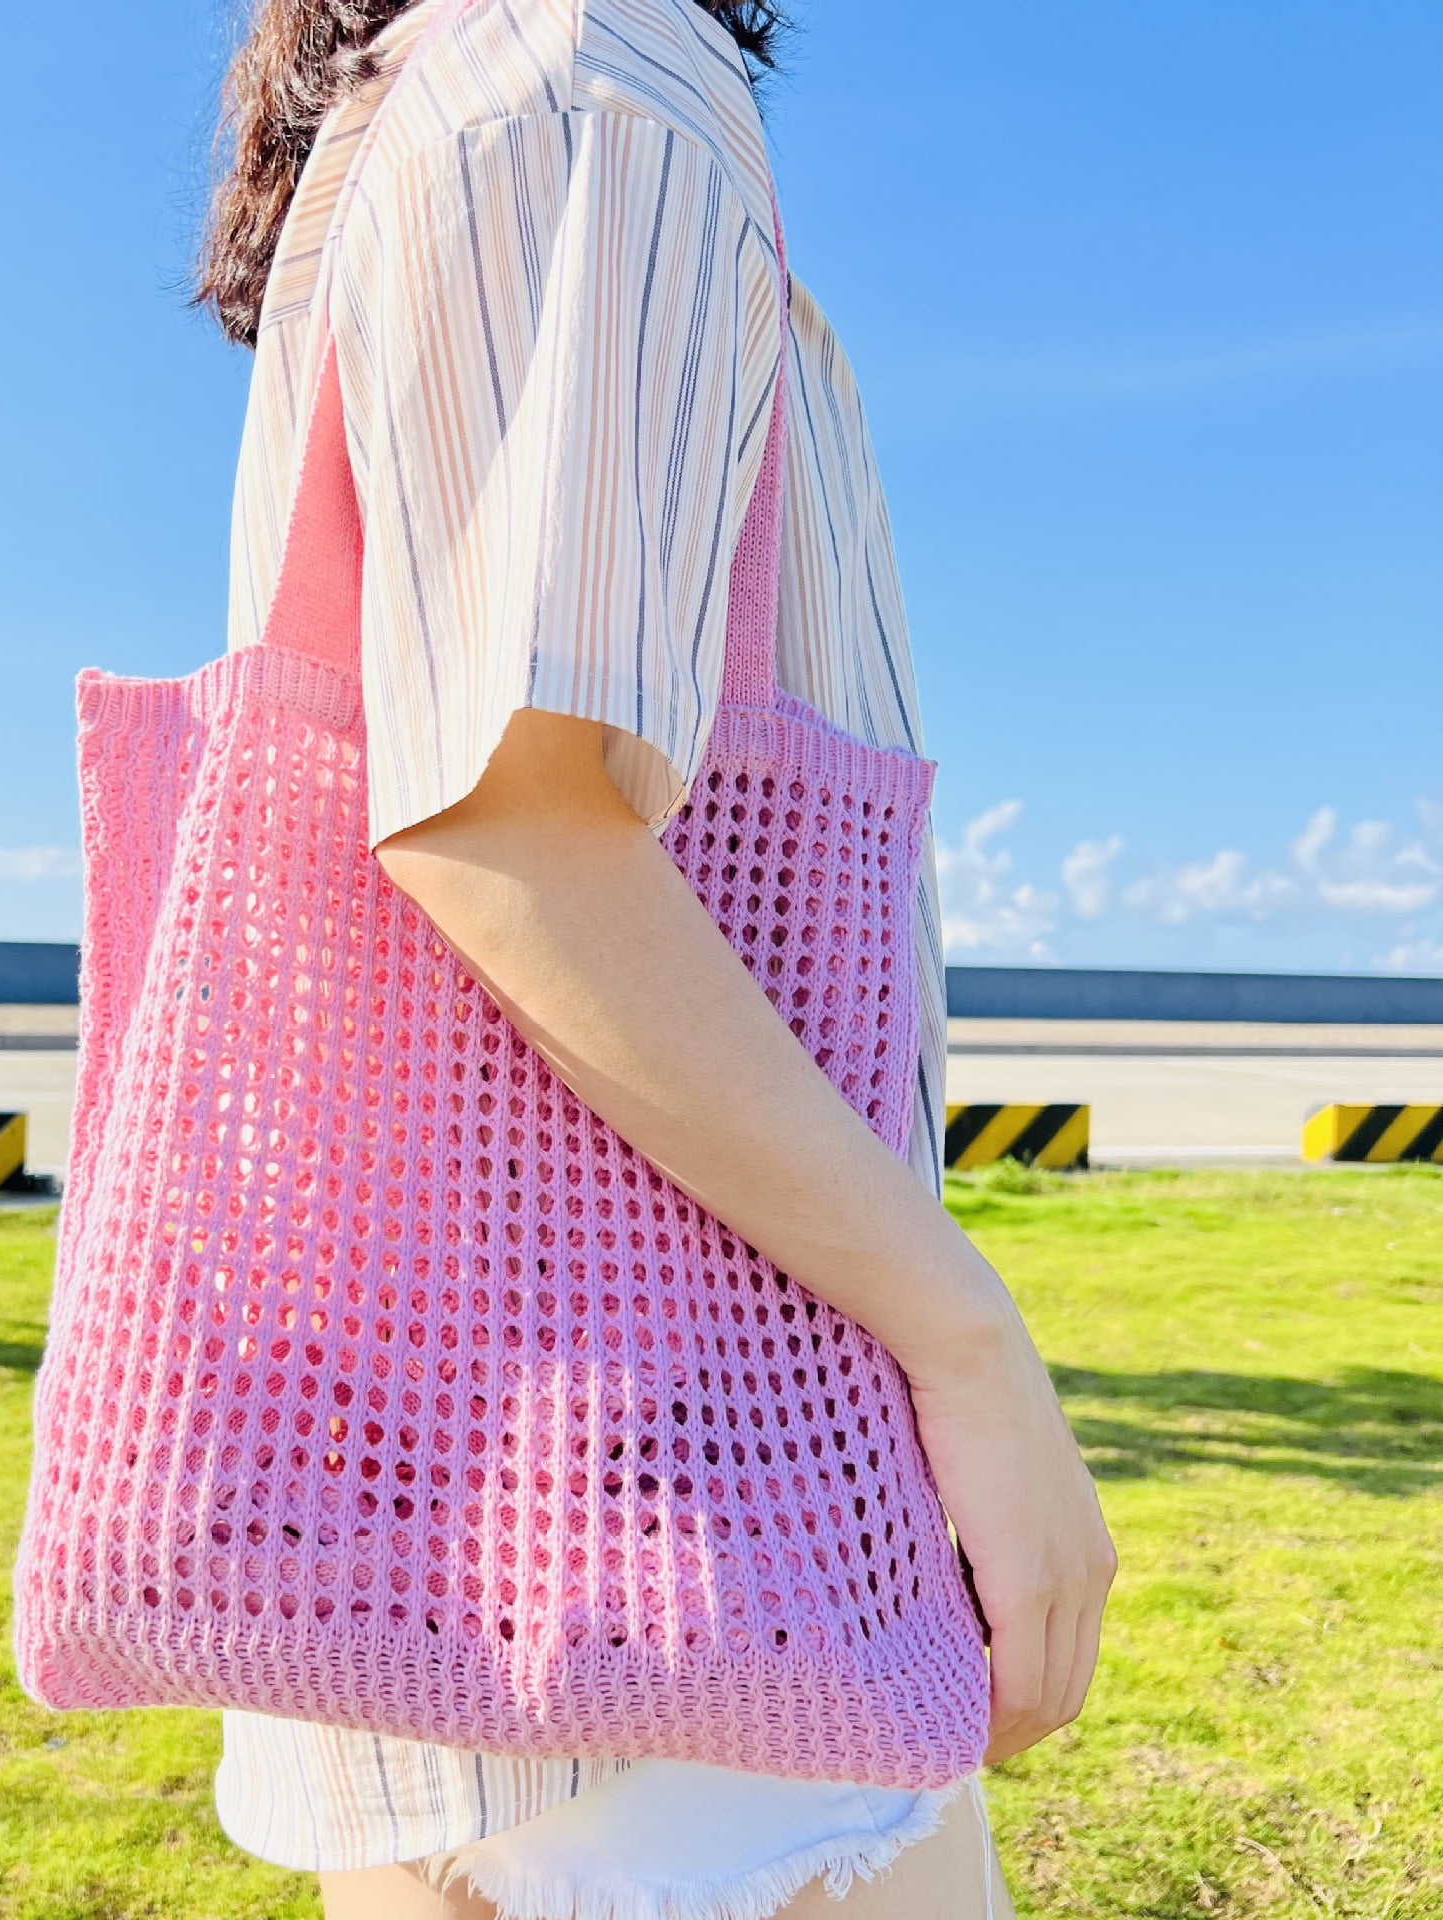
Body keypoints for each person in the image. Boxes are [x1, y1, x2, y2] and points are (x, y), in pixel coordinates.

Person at [187, 0, 1117, 1914]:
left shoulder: (451, 93)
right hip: (675, 1515)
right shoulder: (593, 67)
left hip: (466, 1509)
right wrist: (965, 1337)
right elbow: (509, 815)